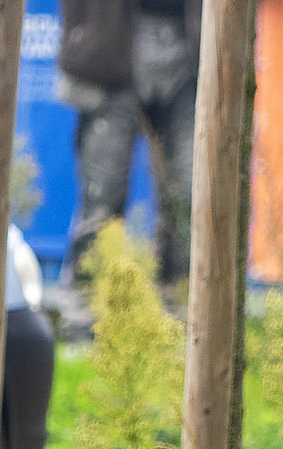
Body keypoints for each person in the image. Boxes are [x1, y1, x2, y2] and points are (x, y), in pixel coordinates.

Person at [58, 0, 202, 292]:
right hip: (111, 49)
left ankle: (180, 307)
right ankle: (84, 315)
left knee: (191, 195)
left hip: (190, 50)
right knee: (103, 196)